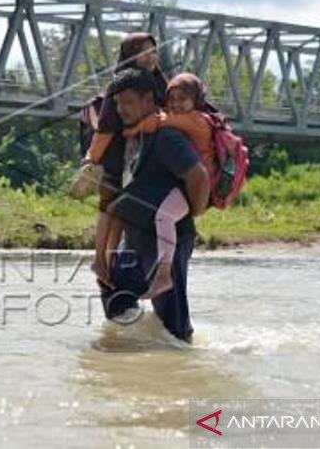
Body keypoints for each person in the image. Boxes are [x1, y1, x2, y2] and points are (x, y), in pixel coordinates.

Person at [96, 68, 210, 343]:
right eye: (118, 104)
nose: (121, 109)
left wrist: (192, 211)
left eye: (129, 102)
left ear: (148, 100)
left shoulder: (166, 137)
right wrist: (103, 256)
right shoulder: (131, 138)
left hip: (168, 238)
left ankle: (182, 358)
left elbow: (199, 177)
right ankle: (132, 352)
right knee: (112, 289)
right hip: (134, 239)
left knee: (173, 321)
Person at [69, 32, 169, 276]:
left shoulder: (159, 83)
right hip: (117, 159)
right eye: (144, 51)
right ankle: (102, 262)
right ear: (129, 55)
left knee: (123, 217)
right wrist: (90, 161)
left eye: (154, 51)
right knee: (110, 210)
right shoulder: (120, 84)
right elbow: (105, 127)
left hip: (146, 158)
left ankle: (113, 263)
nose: (151, 56)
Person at [120, 72, 218, 298]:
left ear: (196, 100)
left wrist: (131, 130)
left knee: (164, 217)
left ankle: (164, 275)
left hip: (197, 185)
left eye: (182, 98)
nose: (175, 104)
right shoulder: (190, 119)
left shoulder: (198, 120)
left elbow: (158, 121)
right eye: (171, 98)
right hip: (184, 183)